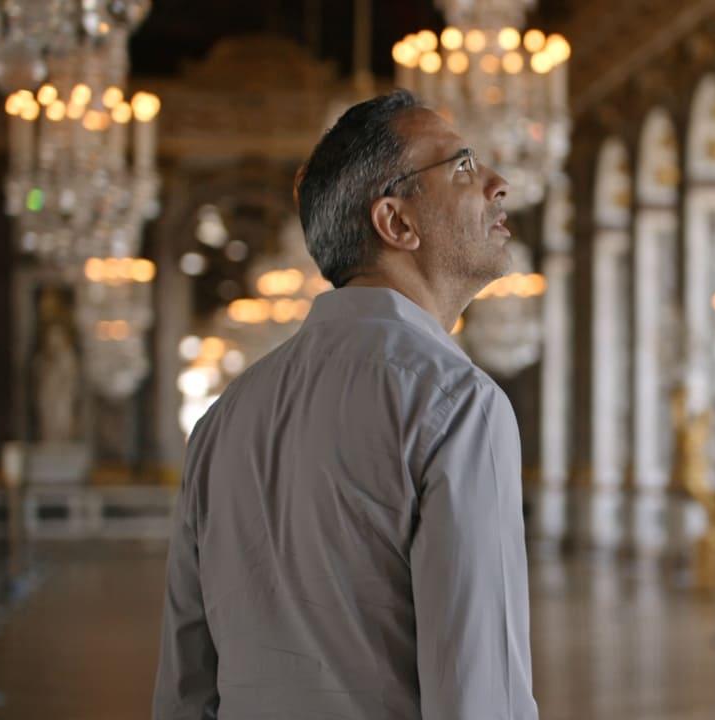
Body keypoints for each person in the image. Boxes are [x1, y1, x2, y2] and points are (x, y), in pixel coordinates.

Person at [153, 90, 538, 719]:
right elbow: (478, 694)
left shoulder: (224, 418)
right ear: (396, 223)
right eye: (462, 167)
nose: (498, 183)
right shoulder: (458, 405)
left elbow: (184, 688)